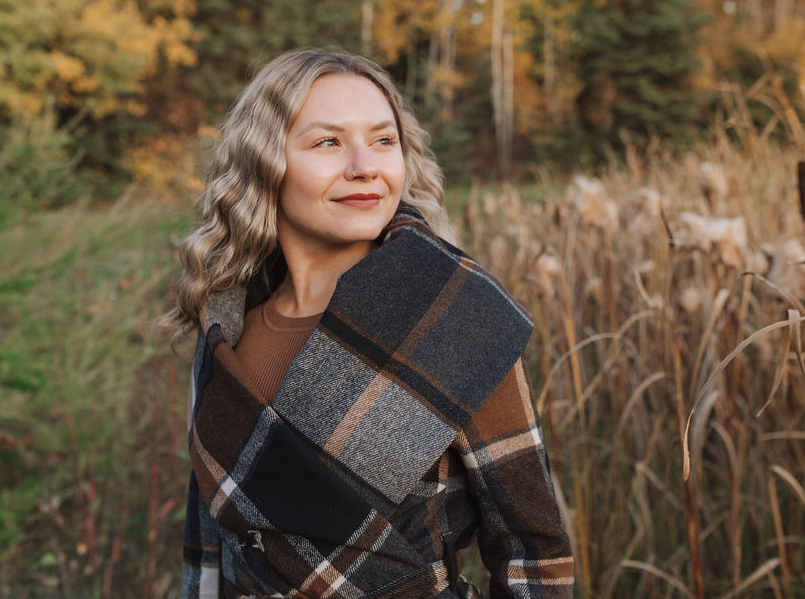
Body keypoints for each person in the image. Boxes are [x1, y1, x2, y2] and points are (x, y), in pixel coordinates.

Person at [161, 48, 574, 598]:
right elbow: (209, 541)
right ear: (265, 163)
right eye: (328, 142)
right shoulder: (225, 331)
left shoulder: (453, 318)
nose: (365, 165)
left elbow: (535, 554)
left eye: (383, 140)